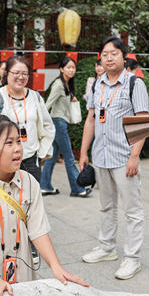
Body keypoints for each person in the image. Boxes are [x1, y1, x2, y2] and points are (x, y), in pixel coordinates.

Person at [0, 115, 88, 296]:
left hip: (22, 285)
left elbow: (38, 231)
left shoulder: (29, 182)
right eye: (8, 143)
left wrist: (57, 267)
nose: (17, 148)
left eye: (18, 140)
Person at [79, 36, 149, 280]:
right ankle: (106, 247)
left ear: (124, 57)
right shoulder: (97, 84)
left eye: (114, 53)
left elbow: (142, 123)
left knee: (133, 211)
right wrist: (83, 152)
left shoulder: (134, 84)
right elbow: (90, 119)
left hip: (123, 157)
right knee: (106, 206)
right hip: (101, 156)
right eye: (105, 54)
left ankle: (132, 259)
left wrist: (135, 156)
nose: (108, 57)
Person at [0, 55, 54, 181]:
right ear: (6, 73)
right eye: (16, 73)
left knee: (31, 199)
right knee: (5, 200)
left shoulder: (35, 97)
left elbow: (48, 125)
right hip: (3, 163)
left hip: (31, 161)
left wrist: (42, 151)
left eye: (25, 73)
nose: (21, 77)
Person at [40, 57, 91, 198]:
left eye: (73, 67)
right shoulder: (58, 84)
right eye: (68, 67)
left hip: (60, 122)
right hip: (58, 122)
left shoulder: (67, 84)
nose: (71, 70)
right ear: (61, 69)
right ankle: (78, 188)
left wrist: (71, 99)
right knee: (69, 157)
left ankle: (44, 186)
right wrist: (42, 122)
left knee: (52, 156)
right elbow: (48, 104)